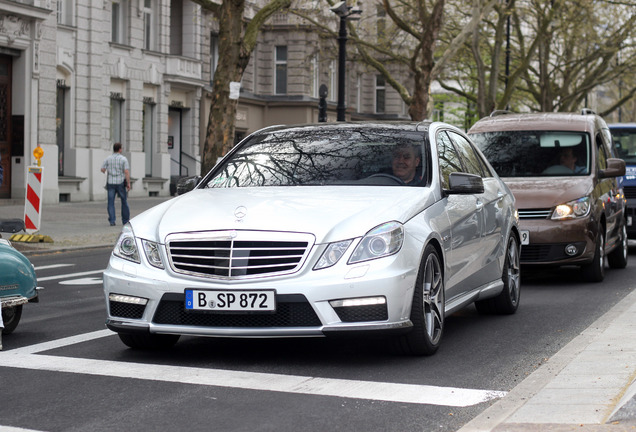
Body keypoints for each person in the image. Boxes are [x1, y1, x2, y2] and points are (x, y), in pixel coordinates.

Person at [101, 142, 131, 226]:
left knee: (110, 202)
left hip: (110, 182)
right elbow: (126, 171)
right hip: (120, 182)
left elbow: (102, 169)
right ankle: (125, 220)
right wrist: (128, 183)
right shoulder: (123, 159)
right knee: (124, 201)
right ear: (120, 149)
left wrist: (108, 171)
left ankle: (112, 220)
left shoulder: (108, 158)